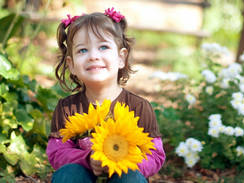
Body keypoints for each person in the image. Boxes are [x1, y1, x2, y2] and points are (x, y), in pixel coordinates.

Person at [46, 8, 165, 183]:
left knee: (132, 178)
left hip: (124, 173)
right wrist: (88, 159)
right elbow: (57, 152)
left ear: (121, 58)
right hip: (83, 175)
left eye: (103, 47)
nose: (93, 56)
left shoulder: (139, 107)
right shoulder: (67, 108)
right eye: (83, 50)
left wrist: (123, 162)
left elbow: (155, 155)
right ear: (71, 64)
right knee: (68, 175)